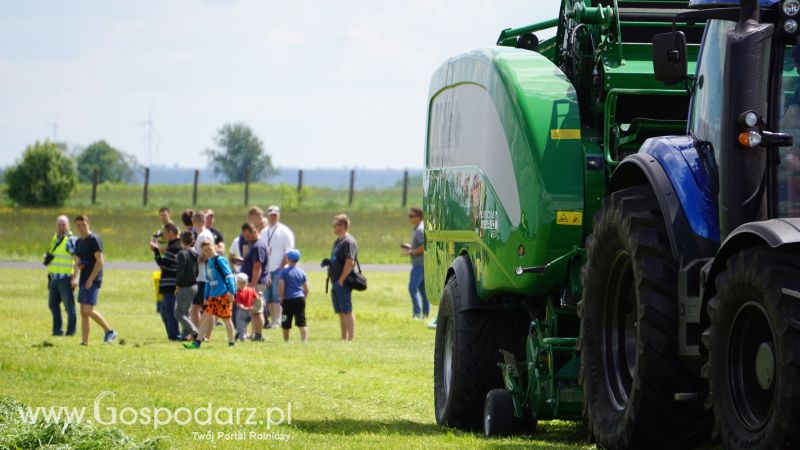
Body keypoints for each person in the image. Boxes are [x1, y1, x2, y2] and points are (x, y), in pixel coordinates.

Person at [73, 215, 117, 345]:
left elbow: (100, 260)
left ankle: (109, 331)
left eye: (83, 225)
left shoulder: (94, 239)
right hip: (84, 278)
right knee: (83, 312)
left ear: (88, 224)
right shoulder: (79, 241)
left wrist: (91, 279)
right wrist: (79, 264)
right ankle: (85, 342)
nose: (81, 228)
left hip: (93, 279)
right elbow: (78, 258)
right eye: (78, 225)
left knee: (88, 310)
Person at [184, 241, 236, 349]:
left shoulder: (220, 260)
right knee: (205, 318)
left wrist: (232, 292)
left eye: (209, 249)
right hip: (212, 298)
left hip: (223, 296)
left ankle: (231, 343)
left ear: (214, 247)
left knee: (226, 319)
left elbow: (229, 276)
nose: (208, 252)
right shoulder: (208, 263)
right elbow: (208, 282)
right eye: (205, 251)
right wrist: (206, 297)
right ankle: (197, 342)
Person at [261, 205, 295, 328]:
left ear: (278, 216)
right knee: (268, 296)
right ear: (268, 216)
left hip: (279, 268)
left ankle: (278, 320)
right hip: (266, 270)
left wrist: (281, 267)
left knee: (277, 295)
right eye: (271, 215)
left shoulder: (285, 231)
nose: (273, 217)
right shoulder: (264, 231)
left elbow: (289, 251)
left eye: (275, 215)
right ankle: (271, 320)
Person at [45, 215, 78, 336]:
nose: (61, 226)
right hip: (54, 278)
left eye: (63, 224)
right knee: (52, 305)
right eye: (59, 224)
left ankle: (71, 332)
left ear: (68, 225)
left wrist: (75, 278)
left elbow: (77, 261)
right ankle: (57, 330)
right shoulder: (55, 238)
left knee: (69, 307)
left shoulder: (71, 240)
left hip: (65, 279)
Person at [327, 214, 357, 341]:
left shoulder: (348, 241)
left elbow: (350, 262)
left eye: (337, 224)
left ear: (343, 226)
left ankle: (350, 338)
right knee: (340, 311)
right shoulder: (338, 241)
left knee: (347, 309)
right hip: (335, 280)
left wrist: (341, 279)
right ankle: (343, 337)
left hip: (343, 281)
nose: (334, 227)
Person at [150, 223, 181, 340]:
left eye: (165, 233)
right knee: (164, 312)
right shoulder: (175, 245)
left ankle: (174, 336)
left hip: (171, 283)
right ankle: (173, 335)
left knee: (169, 311)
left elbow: (163, 264)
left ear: (171, 232)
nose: (164, 236)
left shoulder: (174, 247)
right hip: (170, 282)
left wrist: (156, 251)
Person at [239, 222, 268, 340]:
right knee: (255, 309)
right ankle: (256, 334)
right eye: (245, 237)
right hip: (256, 282)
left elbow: (257, 266)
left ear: (254, 231)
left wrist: (252, 284)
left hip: (256, 283)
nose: (247, 239)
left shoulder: (258, 246)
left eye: (248, 236)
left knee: (256, 309)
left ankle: (259, 335)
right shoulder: (255, 244)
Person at [403, 207, 429, 320]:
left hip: (420, 265)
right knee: (423, 291)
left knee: (412, 288)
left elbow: (425, 246)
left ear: (418, 217)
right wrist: (411, 246)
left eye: (411, 216)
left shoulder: (419, 230)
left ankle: (417, 314)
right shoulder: (418, 228)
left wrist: (411, 251)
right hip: (422, 264)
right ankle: (426, 314)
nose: (410, 218)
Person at [279, 249, 309, 343]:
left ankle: (286, 340)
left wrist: (281, 297)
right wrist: (304, 297)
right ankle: (304, 340)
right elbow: (306, 288)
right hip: (300, 299)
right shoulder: (301, 272)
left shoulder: (284, 272)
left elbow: (281, 286)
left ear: (287, 259)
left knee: (285, 321)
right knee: (301, 321)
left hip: (288, 300)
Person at [191, 211, 214, 330]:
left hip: (204, 276)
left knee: (199, 309)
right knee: (199, 308)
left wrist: (192, 259)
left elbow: (207, 255)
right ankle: (200, 334)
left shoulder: (204, 236)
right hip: (202, 276)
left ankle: (200, 334)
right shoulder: (204, 234)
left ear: (194, 222)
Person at [174, 231, 199, 340]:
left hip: (185, 286)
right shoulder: (195, 254)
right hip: (194, 285)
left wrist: (178, 285)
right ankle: (184, 335)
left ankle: (194, 331)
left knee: (178, 313)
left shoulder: (182, 254)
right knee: (185, 311)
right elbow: (197, 271)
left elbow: (180, 271)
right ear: (193, 241)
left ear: (181, 241)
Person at [233, 273, 257, 341]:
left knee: (240, 325)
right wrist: (253, 306)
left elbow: (238, 304)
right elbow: (257, 298)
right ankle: (250, 334)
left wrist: (244, 308)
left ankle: (242, 338)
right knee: (247, 324)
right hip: (250, 311)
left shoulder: (239, 292)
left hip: (242, 311)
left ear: (238, 283)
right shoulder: (251, 290)